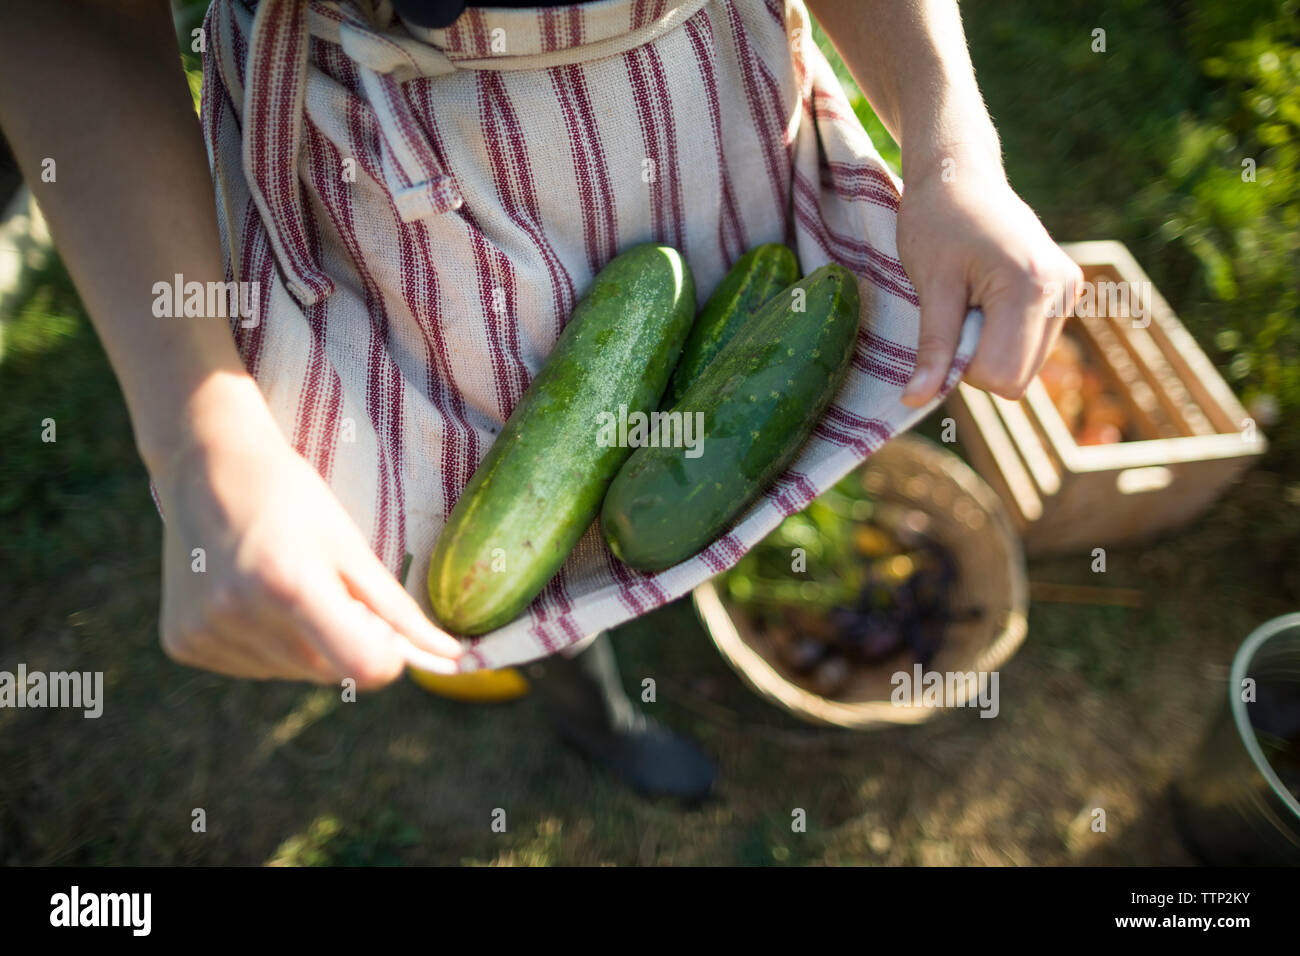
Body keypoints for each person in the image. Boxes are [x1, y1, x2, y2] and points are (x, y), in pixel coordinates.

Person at [0, 0, 1081, 800]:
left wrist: (951, 142)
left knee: (602, 515)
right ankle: (582, 699)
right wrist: (201, 441)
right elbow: (67, 15)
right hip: (390, 204)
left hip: (702, 118)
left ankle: (593, 688)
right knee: (462, 570)